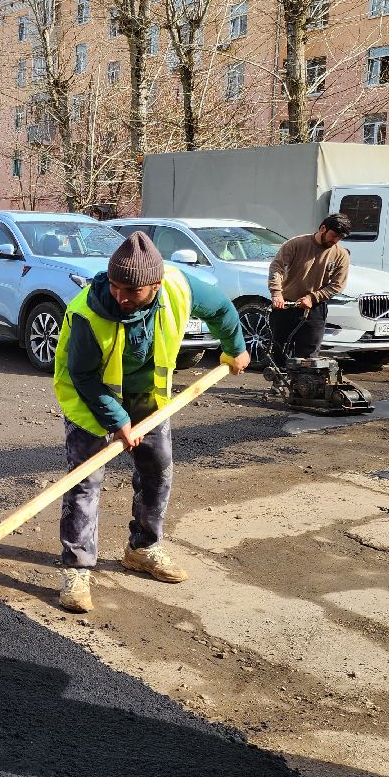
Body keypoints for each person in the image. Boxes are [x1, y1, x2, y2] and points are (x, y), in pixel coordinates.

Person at [52, 232, 250, 613]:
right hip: (91, 401)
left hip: (149, 399)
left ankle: (143, 547)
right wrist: (118, 421)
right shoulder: (86, 314)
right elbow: (85, 376)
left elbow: (222, 309)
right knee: (85, 483)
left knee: (158, 471)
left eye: (132, 290)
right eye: (115, 287)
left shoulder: (177, 287)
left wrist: (235, 348)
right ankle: (76, 568)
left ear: (155, 285)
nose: (121, 297)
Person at [266, 212, 352, 367]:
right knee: (280, 348)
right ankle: (279, 383)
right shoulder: (296, 244)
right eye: (333, 235)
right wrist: (276, 293)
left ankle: (303, 388)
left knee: (309, 355)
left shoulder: (341, 255)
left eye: (340, 238)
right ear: (323, 228)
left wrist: (313, 298)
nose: (335, 240)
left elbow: (338, 285)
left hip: (314, 308)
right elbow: (276, 267)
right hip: (286, 304)